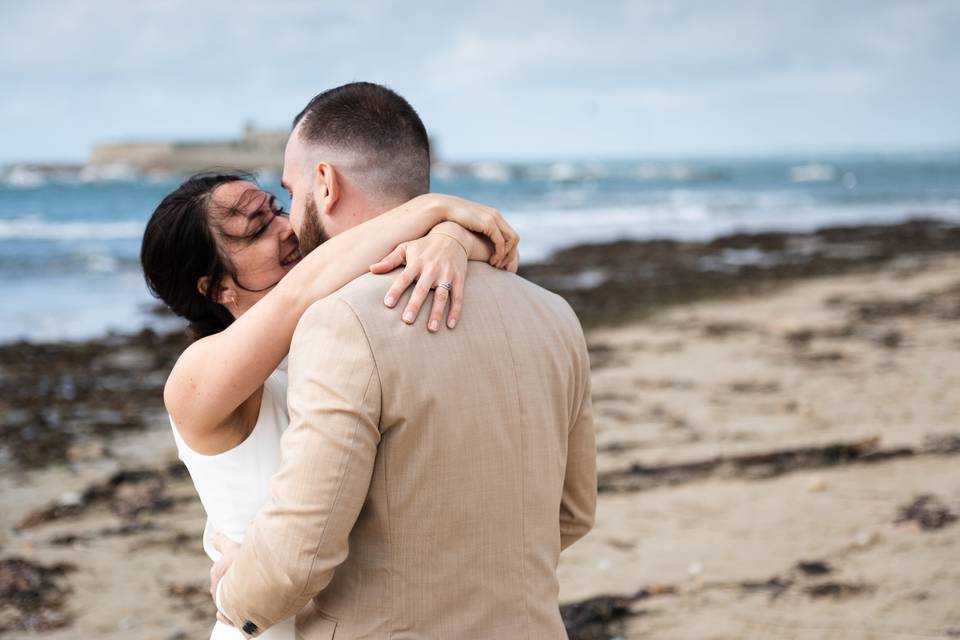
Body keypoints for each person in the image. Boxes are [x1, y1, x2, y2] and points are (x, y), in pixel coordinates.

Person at [212, 82, 596, 639]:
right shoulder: (555, 315)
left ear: (326, 183)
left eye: (291, 193)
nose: (291, 222)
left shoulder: (342, 322)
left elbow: (301, 554)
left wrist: (233, 593)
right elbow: (574, 512)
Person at [141, 169, 517, 637]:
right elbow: (297, 294)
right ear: (216, 288)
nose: (286, 227)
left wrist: (451, 242)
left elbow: (491, 250)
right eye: (257, 228)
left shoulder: (334, 334)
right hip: (263, 622)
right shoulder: (194, 379)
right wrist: (433, 208)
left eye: (277, 208)